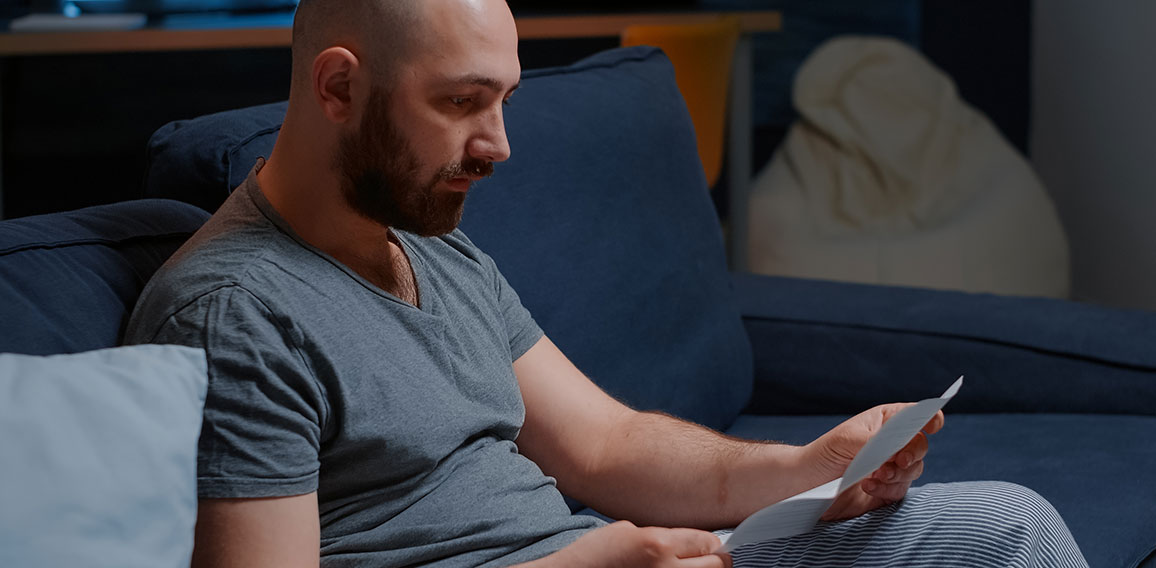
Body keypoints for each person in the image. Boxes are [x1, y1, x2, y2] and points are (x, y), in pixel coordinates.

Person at [125, 0, 1088, 566]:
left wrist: (809, 471)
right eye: (462, 104)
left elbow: (603, 444)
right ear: (337, 89)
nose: (498, 147)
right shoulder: (233, 316)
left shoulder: (432, 246)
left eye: (503, 101)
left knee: (1004, 526)